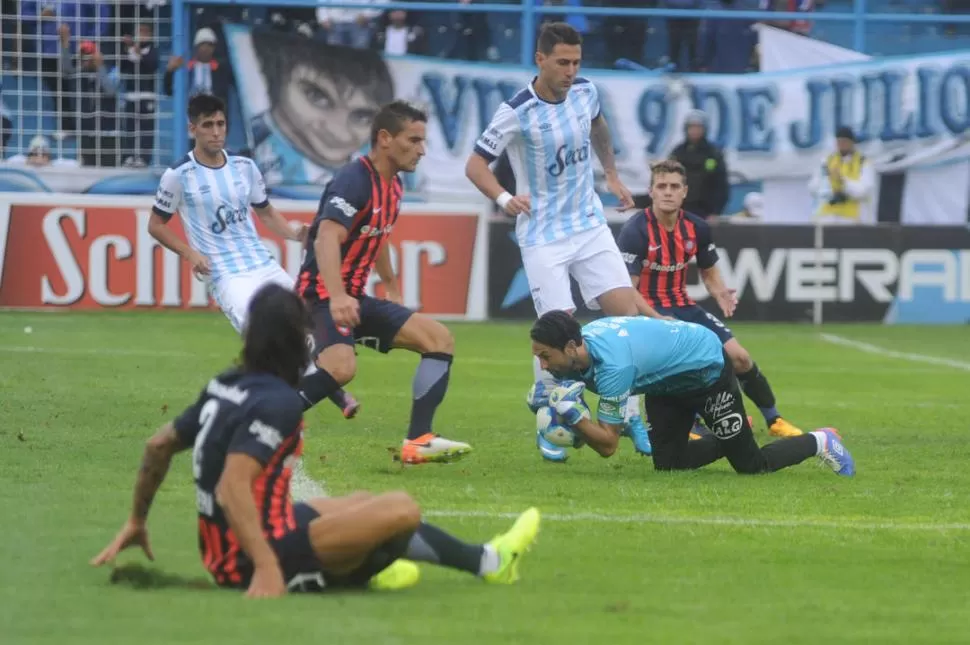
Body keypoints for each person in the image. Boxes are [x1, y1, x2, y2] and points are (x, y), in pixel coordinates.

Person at [91, 283, 542, 596]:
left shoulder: (227, 382)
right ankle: (477, 563)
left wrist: (136, 520)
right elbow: (232, 486)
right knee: (401, 509)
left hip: (225, 544)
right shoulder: (279, 402)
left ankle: (485, 561)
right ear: (296, 341)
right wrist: (266, 569)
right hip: (251, 556)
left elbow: (157, 446)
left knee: (365, 502)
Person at [464, 21, 661, 463]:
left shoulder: (586, 92)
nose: (571, 71)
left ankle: (629, 411)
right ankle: (549, 421)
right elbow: (475, 163)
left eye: (576, 62)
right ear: (540, 59)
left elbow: (598, 127)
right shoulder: (516, 110)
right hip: (543, 234)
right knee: (558, 332)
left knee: (626, 315)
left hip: (588, 223)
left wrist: (610, 173)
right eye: (562, 62)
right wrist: (503, 197)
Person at [294, 100, 471, 465]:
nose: (422, 150)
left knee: (439, 339)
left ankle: (418, 440)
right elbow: (326, 236)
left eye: (423, 141)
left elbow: (378, 236)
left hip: (353, 298)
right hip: (319, 297)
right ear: (385, 138)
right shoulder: (353, 179)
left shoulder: (394, 186)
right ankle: (265, 419)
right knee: (342, 369)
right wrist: (339, 296)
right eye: (414, 140)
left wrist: (390, 285)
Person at [529, 311, 856, 477]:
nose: (543, 364)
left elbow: (609, 446)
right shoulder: (575, 353)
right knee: (669, 465)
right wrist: (561, 413)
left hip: (705, 371)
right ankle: (733, 431)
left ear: (571, 346)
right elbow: (588, 429)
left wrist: (571, 415)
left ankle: (821, 440)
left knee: (751, 466)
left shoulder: (613, 366)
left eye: (545, 356)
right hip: (665, 384)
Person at [616, 159, 804, 439]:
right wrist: (656, 318)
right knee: (684, 365)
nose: (668, 192)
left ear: (685, 192)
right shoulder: (635, 230)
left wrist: (719, 291)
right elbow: (627, 291)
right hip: (648, 311)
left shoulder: (697, 228)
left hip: (683, 306)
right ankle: (690, 424)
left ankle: (774, 419)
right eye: (662, 186)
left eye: (674, 186)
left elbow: (709, 270)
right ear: (652, 191)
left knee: (739, 358)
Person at [807, 126, 876, 225]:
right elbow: (813, 188)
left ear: (852, 143)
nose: (841, 145)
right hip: (828, 217)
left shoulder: (863, 163)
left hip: (854, 219)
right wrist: (827, 186)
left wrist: (843, 181)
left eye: (844, 142)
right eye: (839, 142)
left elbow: (863, 191)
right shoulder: (827, 161)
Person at [668, 110, 729, 219]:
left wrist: (716, 212)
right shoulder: (678, 152)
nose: (694, 131)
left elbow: (721, 185)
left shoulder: (713, 153)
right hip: (681, 209)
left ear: (704, 129)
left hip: (705, 211)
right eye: (691, 127)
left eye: (698, 127)